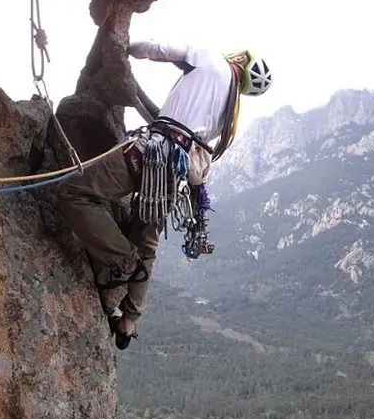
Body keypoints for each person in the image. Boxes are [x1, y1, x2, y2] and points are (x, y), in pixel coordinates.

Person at [58, 41, 272, 348]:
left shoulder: (210, 59)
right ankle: (129, 321)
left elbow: (159, 50)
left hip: (147, 155)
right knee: (148, 241)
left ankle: (122, 260)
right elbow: (185, 133)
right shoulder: (229, 118)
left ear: (241, 58)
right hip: (172, 175)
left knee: (74, 193)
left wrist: (125, 47)